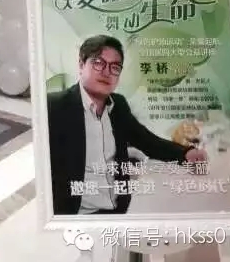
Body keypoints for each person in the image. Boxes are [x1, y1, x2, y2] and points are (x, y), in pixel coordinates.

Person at [47, 34, 207, 215]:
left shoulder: (119, 105)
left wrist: (185, 153)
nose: (107, 72)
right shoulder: (54, 106)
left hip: (117, 211)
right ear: (81, 64)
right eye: (98, 63)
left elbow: (147, 141)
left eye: (115, 67)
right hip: (75, 216)